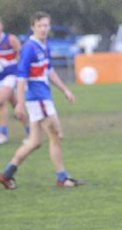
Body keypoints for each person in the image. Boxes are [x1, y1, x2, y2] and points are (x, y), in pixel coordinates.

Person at [0, 11, 82, 190]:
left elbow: (49, 70)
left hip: (43, 98)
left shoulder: (44, 45)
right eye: (40, 26)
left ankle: (6, 174)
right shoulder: (29, 47)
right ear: (33, 27)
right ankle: (62, 178)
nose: (44, 29)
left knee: (34, 142)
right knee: (56, 136)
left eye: (46, 25)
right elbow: (21, 77)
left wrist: (65, 90)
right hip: (38, 99)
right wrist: (20, 103)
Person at [0, 17, 24, 145]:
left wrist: (19, 71)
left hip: (11, 75)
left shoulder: (10, 39)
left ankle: (3, 134)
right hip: (1, 77)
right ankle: (30, 129)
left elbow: (21, 55)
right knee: (16, 104)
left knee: (0, 101)